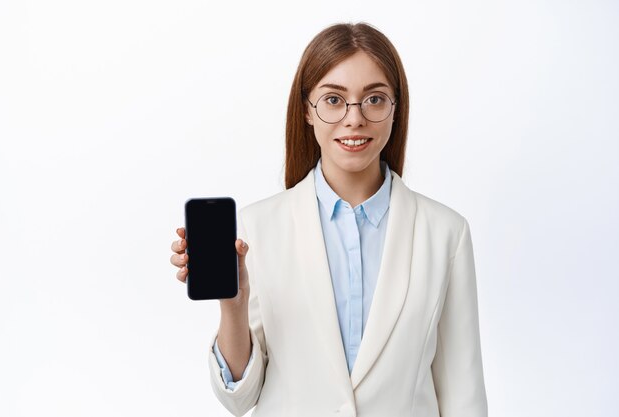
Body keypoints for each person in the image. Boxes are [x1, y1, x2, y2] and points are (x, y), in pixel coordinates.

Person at [170, 22, 488, 417]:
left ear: (395, 109)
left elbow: (464, 395)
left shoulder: (445, 234)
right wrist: (233, 306)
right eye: (334, 100)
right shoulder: (260, 227)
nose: (354, 119)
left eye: (374, 99)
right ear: (307, 110)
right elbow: (239, 397)